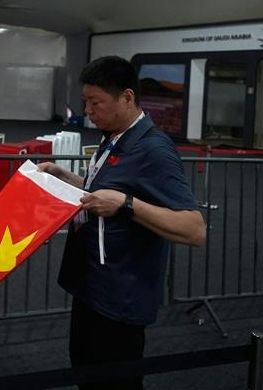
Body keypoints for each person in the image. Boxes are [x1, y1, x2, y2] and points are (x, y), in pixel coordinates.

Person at [37, 56, 205, 390]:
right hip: (90, 288)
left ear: (127, 97)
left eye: (95, 102)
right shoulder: (113, 136)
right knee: (85, 373)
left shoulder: (154, 150)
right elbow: (103, 191)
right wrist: (63, 176)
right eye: (85, 102)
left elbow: (194, 229)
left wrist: (128, 205)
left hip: (119, 301)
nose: (88, 111)